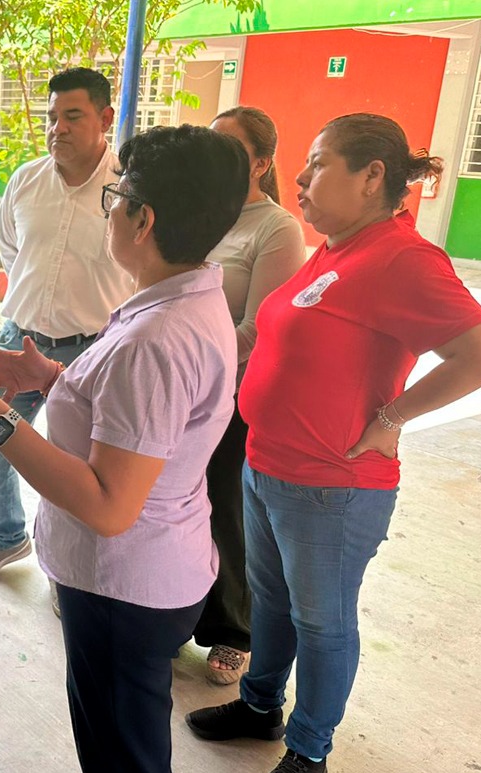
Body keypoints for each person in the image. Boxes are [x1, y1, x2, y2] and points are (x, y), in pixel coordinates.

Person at [0, 125, 249, 773]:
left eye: (117, 197)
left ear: (143, 219)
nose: (111, 209)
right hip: (143, 570)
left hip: (127, 583)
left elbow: (107, 500)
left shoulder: (154, 339)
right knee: (108, 742)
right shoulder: (180, 301)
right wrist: (55, 381)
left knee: (132, 766)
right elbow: (143, 428)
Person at [186, 113, 481, 773]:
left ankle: (308, 748)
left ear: (372, 177)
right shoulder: (335, 250)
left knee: (323, 621)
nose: (299, 178)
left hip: (332, 488)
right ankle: (260, 707)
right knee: (271, 604)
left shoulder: (402, 258)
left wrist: (390, 420)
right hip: (267, 467)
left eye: (318, 162)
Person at [0, 67, 133, 586]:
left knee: (73, 466)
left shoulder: (127, 189)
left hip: (92, 348)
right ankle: (9, 536)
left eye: (72, 116)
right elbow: (12, 251)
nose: (57, 128)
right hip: (21, 339)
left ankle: (67, 572)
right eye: (51, 117)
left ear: (105, 118)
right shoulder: (26, 180)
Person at [194, 106, 306, 685]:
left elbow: (259, 328)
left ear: (262, 163)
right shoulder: (202, 214)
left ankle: (235, 631)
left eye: (231, 148)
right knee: (176, 506)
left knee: (224, 512)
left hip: (232, 397)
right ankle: (177, 609)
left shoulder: (276, 228)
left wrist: (187, 355)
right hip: (184, 391)